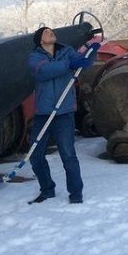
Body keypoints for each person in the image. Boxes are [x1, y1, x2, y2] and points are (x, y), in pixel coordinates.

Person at [27, 26, 100, 205]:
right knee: (36, 155)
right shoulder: (35, 57)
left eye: (51, 30)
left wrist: (91, 51)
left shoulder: (67, 51)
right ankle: (47, 189)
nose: (50, 32)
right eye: (46, 32)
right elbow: (43, 72)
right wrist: (68, 65)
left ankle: (76, 193)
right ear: (40, 40)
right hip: (43, 113)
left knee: (68, 155)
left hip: (64, 112)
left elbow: (83, 62)